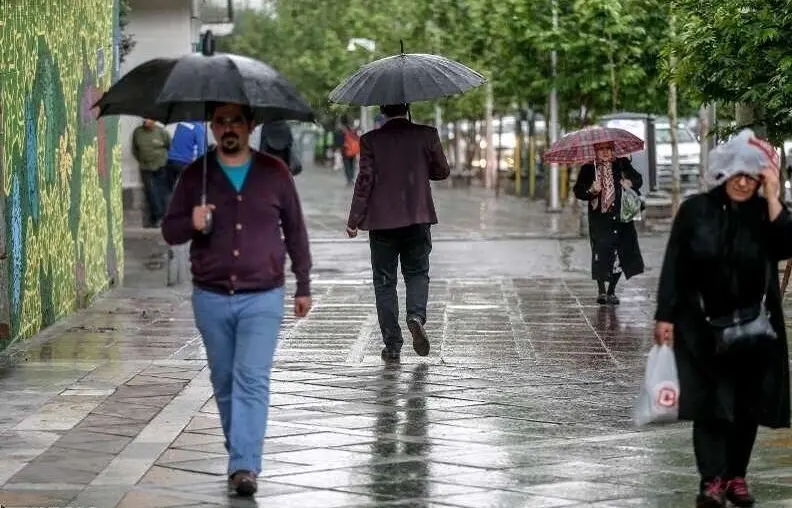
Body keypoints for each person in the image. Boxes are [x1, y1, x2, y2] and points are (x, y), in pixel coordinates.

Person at [161, 103, 312, 497]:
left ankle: (244, 465)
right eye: (220, 121)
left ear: (251, 126)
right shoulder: (197, 176)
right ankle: (240, 452)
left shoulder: (274, 173)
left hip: (263, 295)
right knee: (224, 380)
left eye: (236, 121)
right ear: (212, 127)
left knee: (252, 379)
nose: (228, 128)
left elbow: (295, 229)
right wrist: (189, 222)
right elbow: (170, 230)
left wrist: (304, 284)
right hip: (211, 297)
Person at [654, 129, 792, 508]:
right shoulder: (696, 209)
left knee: (747, 407)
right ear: (724, 174)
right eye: (738, 175)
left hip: (754, 328)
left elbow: (786, 243)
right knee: (712, 407)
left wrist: (774, 194)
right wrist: (664, 315)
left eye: (753, 176)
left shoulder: (765, 213)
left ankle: (736, 477)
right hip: (703, 327)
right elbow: (674, 265)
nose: (744, 182)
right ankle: (711, 481)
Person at [345, 103, 450, 362]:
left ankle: (392, 344)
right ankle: (416, 316)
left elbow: (364, 181)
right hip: (417, 217)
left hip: (382, 222)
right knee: (417, 273)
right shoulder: (426, 134)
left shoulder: (370, 140)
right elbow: (442, 171)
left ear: (383, 109)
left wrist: (354, 219)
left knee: (384, 282)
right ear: (408, 107)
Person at [573, 142, 645, 304]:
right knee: (601, 253)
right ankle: (601, 291)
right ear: (595, 152)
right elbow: (578, 191)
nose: (605, 153)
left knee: (620, 254)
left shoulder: (622, 164)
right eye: (601, 150)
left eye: (608, 149)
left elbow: (638, 179)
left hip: (622, 217)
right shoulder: (588, 168)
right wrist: (591, 190)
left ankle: (612, 291)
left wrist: (630, 183)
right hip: (600, 219)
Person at [132, 118, 171, 227]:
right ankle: (158, 217)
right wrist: (141, 159)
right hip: (145, 167)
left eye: (148, 119)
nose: (145, 121)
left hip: (160, 166)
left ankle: (165, 217)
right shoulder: (138, 132)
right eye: (144, 119)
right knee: (151, 193)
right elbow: (134, 149)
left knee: (162, 191)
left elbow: (169, 145)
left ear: (154, 120)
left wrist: (162, 158)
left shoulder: (161, 132)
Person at [165, 121, 206, 195]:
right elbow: (201, 150)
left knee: (169, 190)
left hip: (170, 160)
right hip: (185, 162)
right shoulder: (198, 127)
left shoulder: (181, 123)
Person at [335, 115, 360, 186]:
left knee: (347, 166)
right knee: (352, 165)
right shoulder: (352, 129)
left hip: (345, 150)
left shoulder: (341, 130)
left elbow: (339, 141)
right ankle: (351, 179)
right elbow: (356, 139)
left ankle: (349, 180)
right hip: (353, 150)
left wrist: (338, 149)